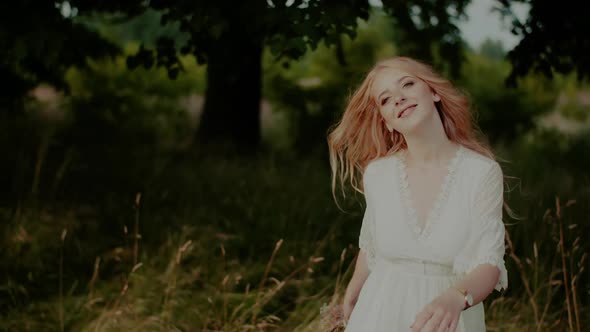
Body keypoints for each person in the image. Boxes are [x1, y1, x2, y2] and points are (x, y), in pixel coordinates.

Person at [326, 56, 508, 332]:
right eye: (385, 99)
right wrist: (351, 295)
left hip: (445, 320)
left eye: (407, 84)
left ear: (433, 92)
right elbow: (373, 248)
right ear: (386, 122)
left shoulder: (481, 173)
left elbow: (489, 263)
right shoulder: (378, 174)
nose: (398, 99)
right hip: (378, 314)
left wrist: (456, 297)